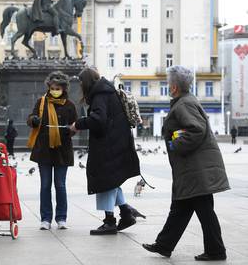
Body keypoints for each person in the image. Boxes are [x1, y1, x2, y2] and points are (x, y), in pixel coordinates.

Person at [142, 66, 230, 261]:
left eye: (168, 83)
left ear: (174, 87)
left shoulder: (184, 104)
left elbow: (196, 130)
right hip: (192, 168)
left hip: (196, 169)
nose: (167, 86)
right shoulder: (185, 101)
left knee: (204, 210)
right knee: (180, 207)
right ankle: (164, 245)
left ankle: (216, 251)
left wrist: (175, 143)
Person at [69, 67, 140, 235]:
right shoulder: (107, 91)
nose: (80, 87)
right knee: (112, 181)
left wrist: (78, 124)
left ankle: (110, 222)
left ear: (86, 82)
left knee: (106, 181)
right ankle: (126, 213)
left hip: (109, 144)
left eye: (81, 83)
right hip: (116, 142)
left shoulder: (100, 94)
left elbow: (98, 120)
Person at [27, 71, 77, 230]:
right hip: (44, 150)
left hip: (62, 149)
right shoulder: (41, 102)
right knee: (45, 185)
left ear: (64, 88)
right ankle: (46, 219)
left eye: (58, 88)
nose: (55, 90)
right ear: (49, 87)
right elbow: (31, 118)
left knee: (60, 185)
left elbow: (75, 125)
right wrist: (34, 120)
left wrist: (70, 130)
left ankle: (61, 218)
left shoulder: (70, 105)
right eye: (53, 87)